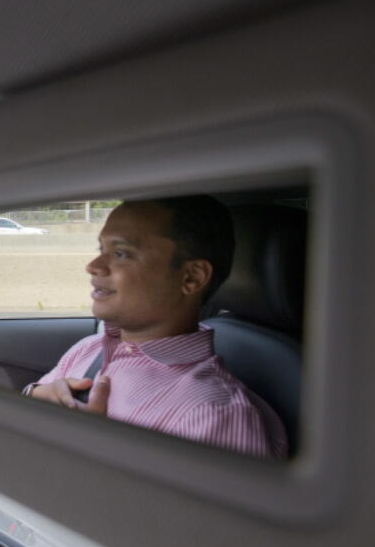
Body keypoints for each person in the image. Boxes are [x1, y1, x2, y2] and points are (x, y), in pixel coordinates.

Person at [23, 196, 287, 458]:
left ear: (191, 277)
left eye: (121, 253)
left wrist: (89, 444)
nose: (93, 266)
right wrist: (36, 395)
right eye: (101, 249)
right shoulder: (88, 349)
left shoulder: (215, 414)